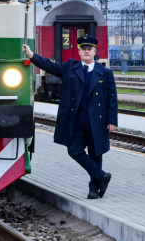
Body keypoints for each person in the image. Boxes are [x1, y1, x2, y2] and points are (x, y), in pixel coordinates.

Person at [22, 35, 118, 199]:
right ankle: (101, 175)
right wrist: (31, 55)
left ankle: (93, 189)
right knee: (74, 150)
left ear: (94, 51)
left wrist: (112, 121)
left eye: (89, 49)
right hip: (77, 121)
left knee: (96, 154)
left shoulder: (105, 73)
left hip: (98, 122)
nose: (86, 52)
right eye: (83, 49)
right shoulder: (70, 68)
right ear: (79, 52)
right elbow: (50, 65)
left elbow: (112, 98)